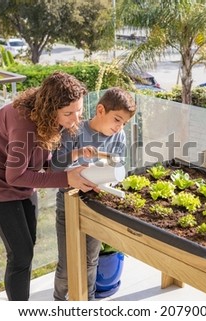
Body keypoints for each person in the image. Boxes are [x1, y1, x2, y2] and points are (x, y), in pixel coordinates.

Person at [0, 71, 97, 301]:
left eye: (79, 111)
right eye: (68, 113)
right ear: (50, 108)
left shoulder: (46, 115)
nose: (76, 119)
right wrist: (67, 179)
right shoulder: (23, 124)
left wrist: (74, 156)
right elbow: (15, 177)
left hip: (18, 177)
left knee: (27, 245)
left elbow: (40, 160)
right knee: (21, 255)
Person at [51, 87, 137, 301]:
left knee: (91, 260)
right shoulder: (75, 130)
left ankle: (87, 302)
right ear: (100, 110)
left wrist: (107, 181)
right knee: (67, 264)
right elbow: (54, 165)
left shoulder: (120, 136)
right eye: (117, 119)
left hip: (97, 204)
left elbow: (119, 167)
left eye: (124, 123)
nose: (119, 127)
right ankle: (60, 300)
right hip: (69, 201)